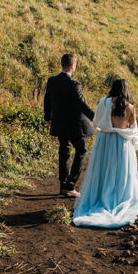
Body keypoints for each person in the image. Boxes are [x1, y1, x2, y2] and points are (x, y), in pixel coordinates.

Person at [72, 79, 138, 228]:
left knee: (102, 171)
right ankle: (117, 198)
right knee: (121, 173)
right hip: (121, 143)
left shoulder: (103, 103)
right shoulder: (130, 108)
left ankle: (101, 196)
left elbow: (96, 121)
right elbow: (132, 128)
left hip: (104, 141)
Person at [43, 53, 95, 197]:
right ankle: (71, 185)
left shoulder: (52, 81)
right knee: (82, 150)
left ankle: (63, 186)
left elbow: (47, 101)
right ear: (73, 66)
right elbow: (81, 104)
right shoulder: (74, 83)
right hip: (75, 125)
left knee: (64, 152)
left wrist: (48, 118)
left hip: (59, 123)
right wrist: (96, 118)